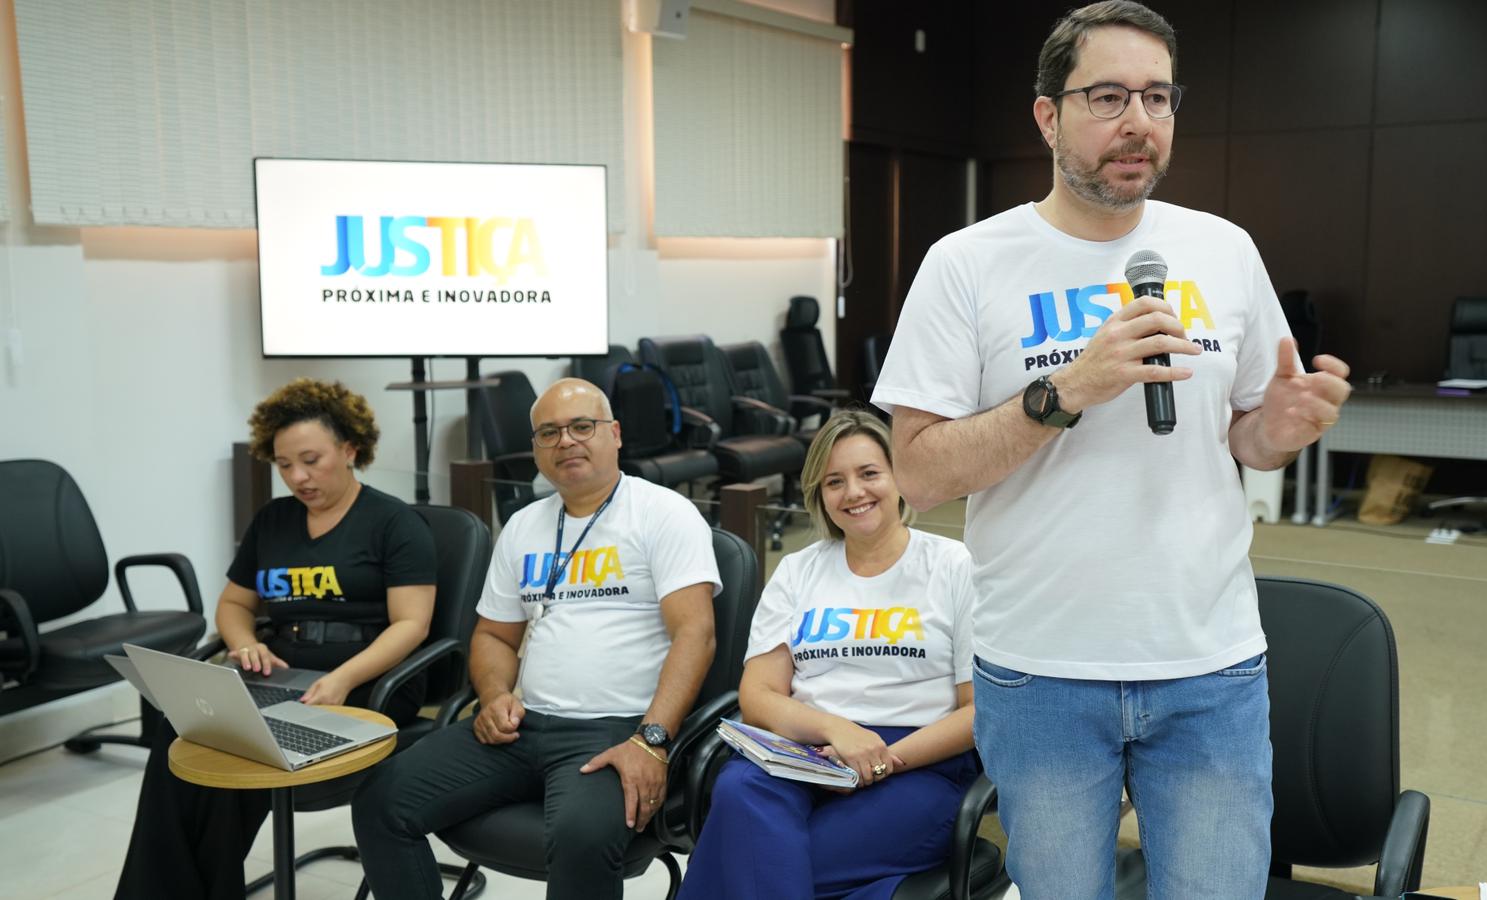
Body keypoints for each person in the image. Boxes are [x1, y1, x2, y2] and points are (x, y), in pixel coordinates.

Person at [869, 2, 1354, 897]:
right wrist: (1066, 393)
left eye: (1158, 97)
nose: (1139, 120)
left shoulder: (1223, 249)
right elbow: (920, 473)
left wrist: (1278, 432)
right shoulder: (966, 264)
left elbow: (1249, 436)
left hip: (1209, 667)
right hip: (1040, 672)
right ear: (1047, 116)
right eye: (1107, 97)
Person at [352, 377, 720, 900]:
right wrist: (494, 695)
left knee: (581, 836)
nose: (565, 441)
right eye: (549, 432)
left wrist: (652, 740)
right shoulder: (523, 526)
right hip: (523, 727)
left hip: (617, 730)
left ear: (615, 434)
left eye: (582, 426)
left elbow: (696, 634)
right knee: (381, 800)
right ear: (535, 449)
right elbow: (493, 637)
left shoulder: (663, 513)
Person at [115, 378, 437, 900]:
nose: (297, 477)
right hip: (283, 674)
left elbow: (411, 625)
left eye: (311, 460)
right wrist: (244, 643)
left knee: (240, 747)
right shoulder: (272, 521)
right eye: (284, 465)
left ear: (350, 449)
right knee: (183, 732)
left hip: (367, 681)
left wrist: (341, 679)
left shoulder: (394, 522)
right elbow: (233, 605)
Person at [679, 409, 978, 900]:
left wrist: (879, 760)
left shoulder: (954, 566)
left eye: (869, 473)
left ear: (899, 476)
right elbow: (759, 694)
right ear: (819, 494)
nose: (853, 492)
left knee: (755, 861)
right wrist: (837, 731)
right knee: (737, 791)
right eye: (834, 481)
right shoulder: (798, 571)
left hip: (915, 761)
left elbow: (976, 711)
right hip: (804, 749)